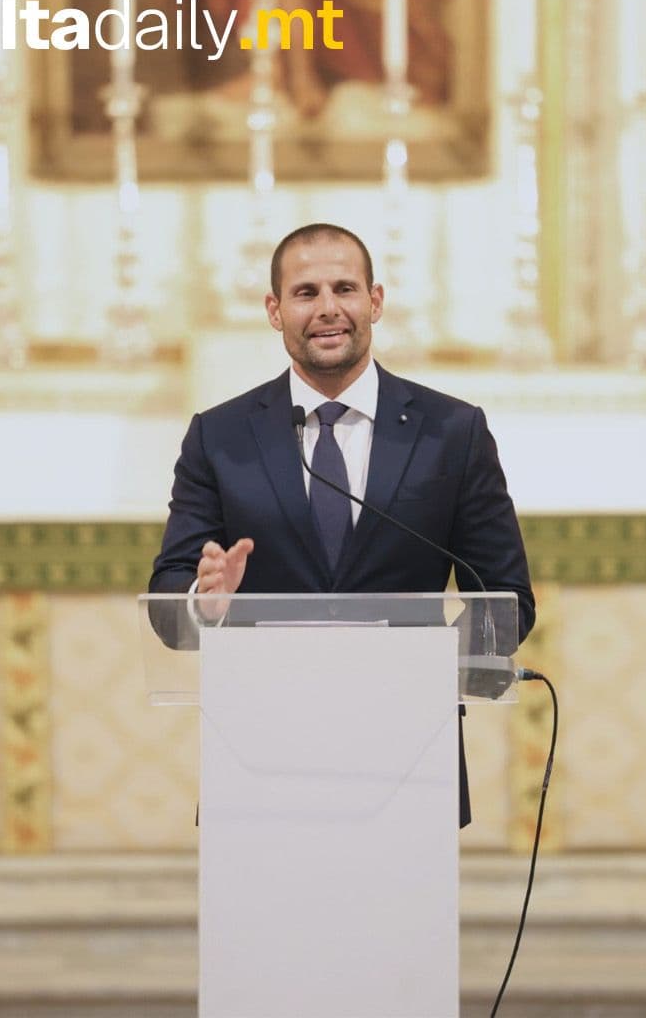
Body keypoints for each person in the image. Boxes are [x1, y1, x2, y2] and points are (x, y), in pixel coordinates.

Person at [148, 222, 534, 826]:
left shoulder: (451, 434)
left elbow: (506, 597)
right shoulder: (219, 437)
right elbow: (170, 592)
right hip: (257, 754)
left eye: (344, 288)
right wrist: (206, 601)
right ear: (275, 311)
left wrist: (423, 670)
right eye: (305, 293)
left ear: (375, 301)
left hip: (409, 749)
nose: (328, 309)